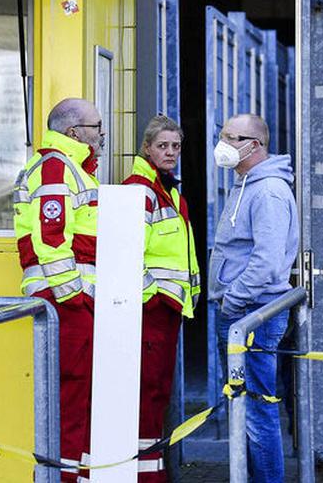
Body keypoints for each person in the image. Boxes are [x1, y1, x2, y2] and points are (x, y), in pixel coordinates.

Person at [13, 98, 104, 482]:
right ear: (74, 132)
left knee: (75, 399)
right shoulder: (57, 168)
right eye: (97, 127)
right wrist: (75, 299)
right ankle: (67, 478)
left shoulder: (68, 168)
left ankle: (74, 474)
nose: (101, 135)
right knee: (71, 399)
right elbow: (52, 240)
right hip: (64, 304)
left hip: (66, 303)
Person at [209, 113, 299, 483]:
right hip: (242, 311)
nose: (225, 143)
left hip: (251, 313)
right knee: (243, 407)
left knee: (257, 411)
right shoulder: (245, 184)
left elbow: (265, 261)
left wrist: (233, 301)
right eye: (224, 135)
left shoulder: (268, 192)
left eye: (234, 137)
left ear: (255, 145)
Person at [123, 115, 200, 482]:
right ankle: (146, 476)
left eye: (176, 146)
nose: (171, 153)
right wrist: (151, 297)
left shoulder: (169, 191)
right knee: (147, 398)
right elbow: (127, 255)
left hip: (166, 312)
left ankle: (152, 472)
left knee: (156, 397)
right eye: (163, 146)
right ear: (147, 149)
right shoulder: (140, 191)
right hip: (150, 312)